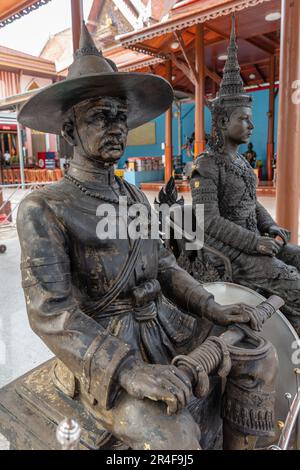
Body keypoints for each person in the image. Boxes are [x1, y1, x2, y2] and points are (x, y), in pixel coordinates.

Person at [17, 23, 277, 450]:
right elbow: (52, 313)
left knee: (257, 354)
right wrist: (127, 370)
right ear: (69, 132)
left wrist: (212, 307)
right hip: (103, 351)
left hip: (163, 327)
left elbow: (166, 265)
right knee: (171, 435)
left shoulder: (135, 195)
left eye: (121, 116)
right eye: (100, 116)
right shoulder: (44, 208)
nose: (116, 126)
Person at [191, 16, 300, 335]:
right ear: (223, 123)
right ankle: (288, 348)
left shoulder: (239, 163)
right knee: (294, 284)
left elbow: (251, 205)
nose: (251, 126)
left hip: (255, 243)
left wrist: (270, 227)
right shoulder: (206, 165)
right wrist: (254, 242)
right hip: (228, 250)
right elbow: (207, 221)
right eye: (244, 119)